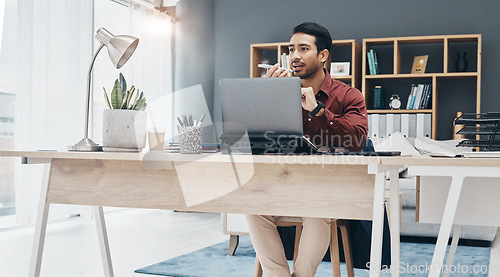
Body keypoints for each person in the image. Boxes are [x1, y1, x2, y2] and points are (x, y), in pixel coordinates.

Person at [246, 22, 368, 277]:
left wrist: (317, 110)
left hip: (328, 188)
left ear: (323, 55)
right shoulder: (281, 93)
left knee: (317, 208)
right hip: (286, 184)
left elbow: (357, 140)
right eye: (291, 50)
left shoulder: (349, 96)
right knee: (252, 206)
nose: (295, 56)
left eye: (303, 48)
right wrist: (267, 97)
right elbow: (255, 142)